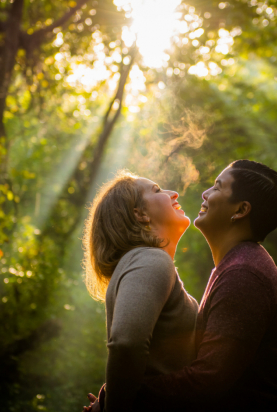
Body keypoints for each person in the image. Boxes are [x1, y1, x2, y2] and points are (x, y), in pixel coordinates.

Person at [91, 159, 277, 412]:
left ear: (240, 210)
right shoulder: (235, 266)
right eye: (157, 191)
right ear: (138, 214)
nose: (204, 193)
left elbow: (209, 378)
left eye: (217, 187)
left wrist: (113, 403)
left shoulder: (243, 273)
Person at [82, 170, 199, 412]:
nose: (173, 193)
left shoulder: (143, 262)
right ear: (140, 214)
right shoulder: (151, 259)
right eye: (157, 190)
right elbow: (126, 343)